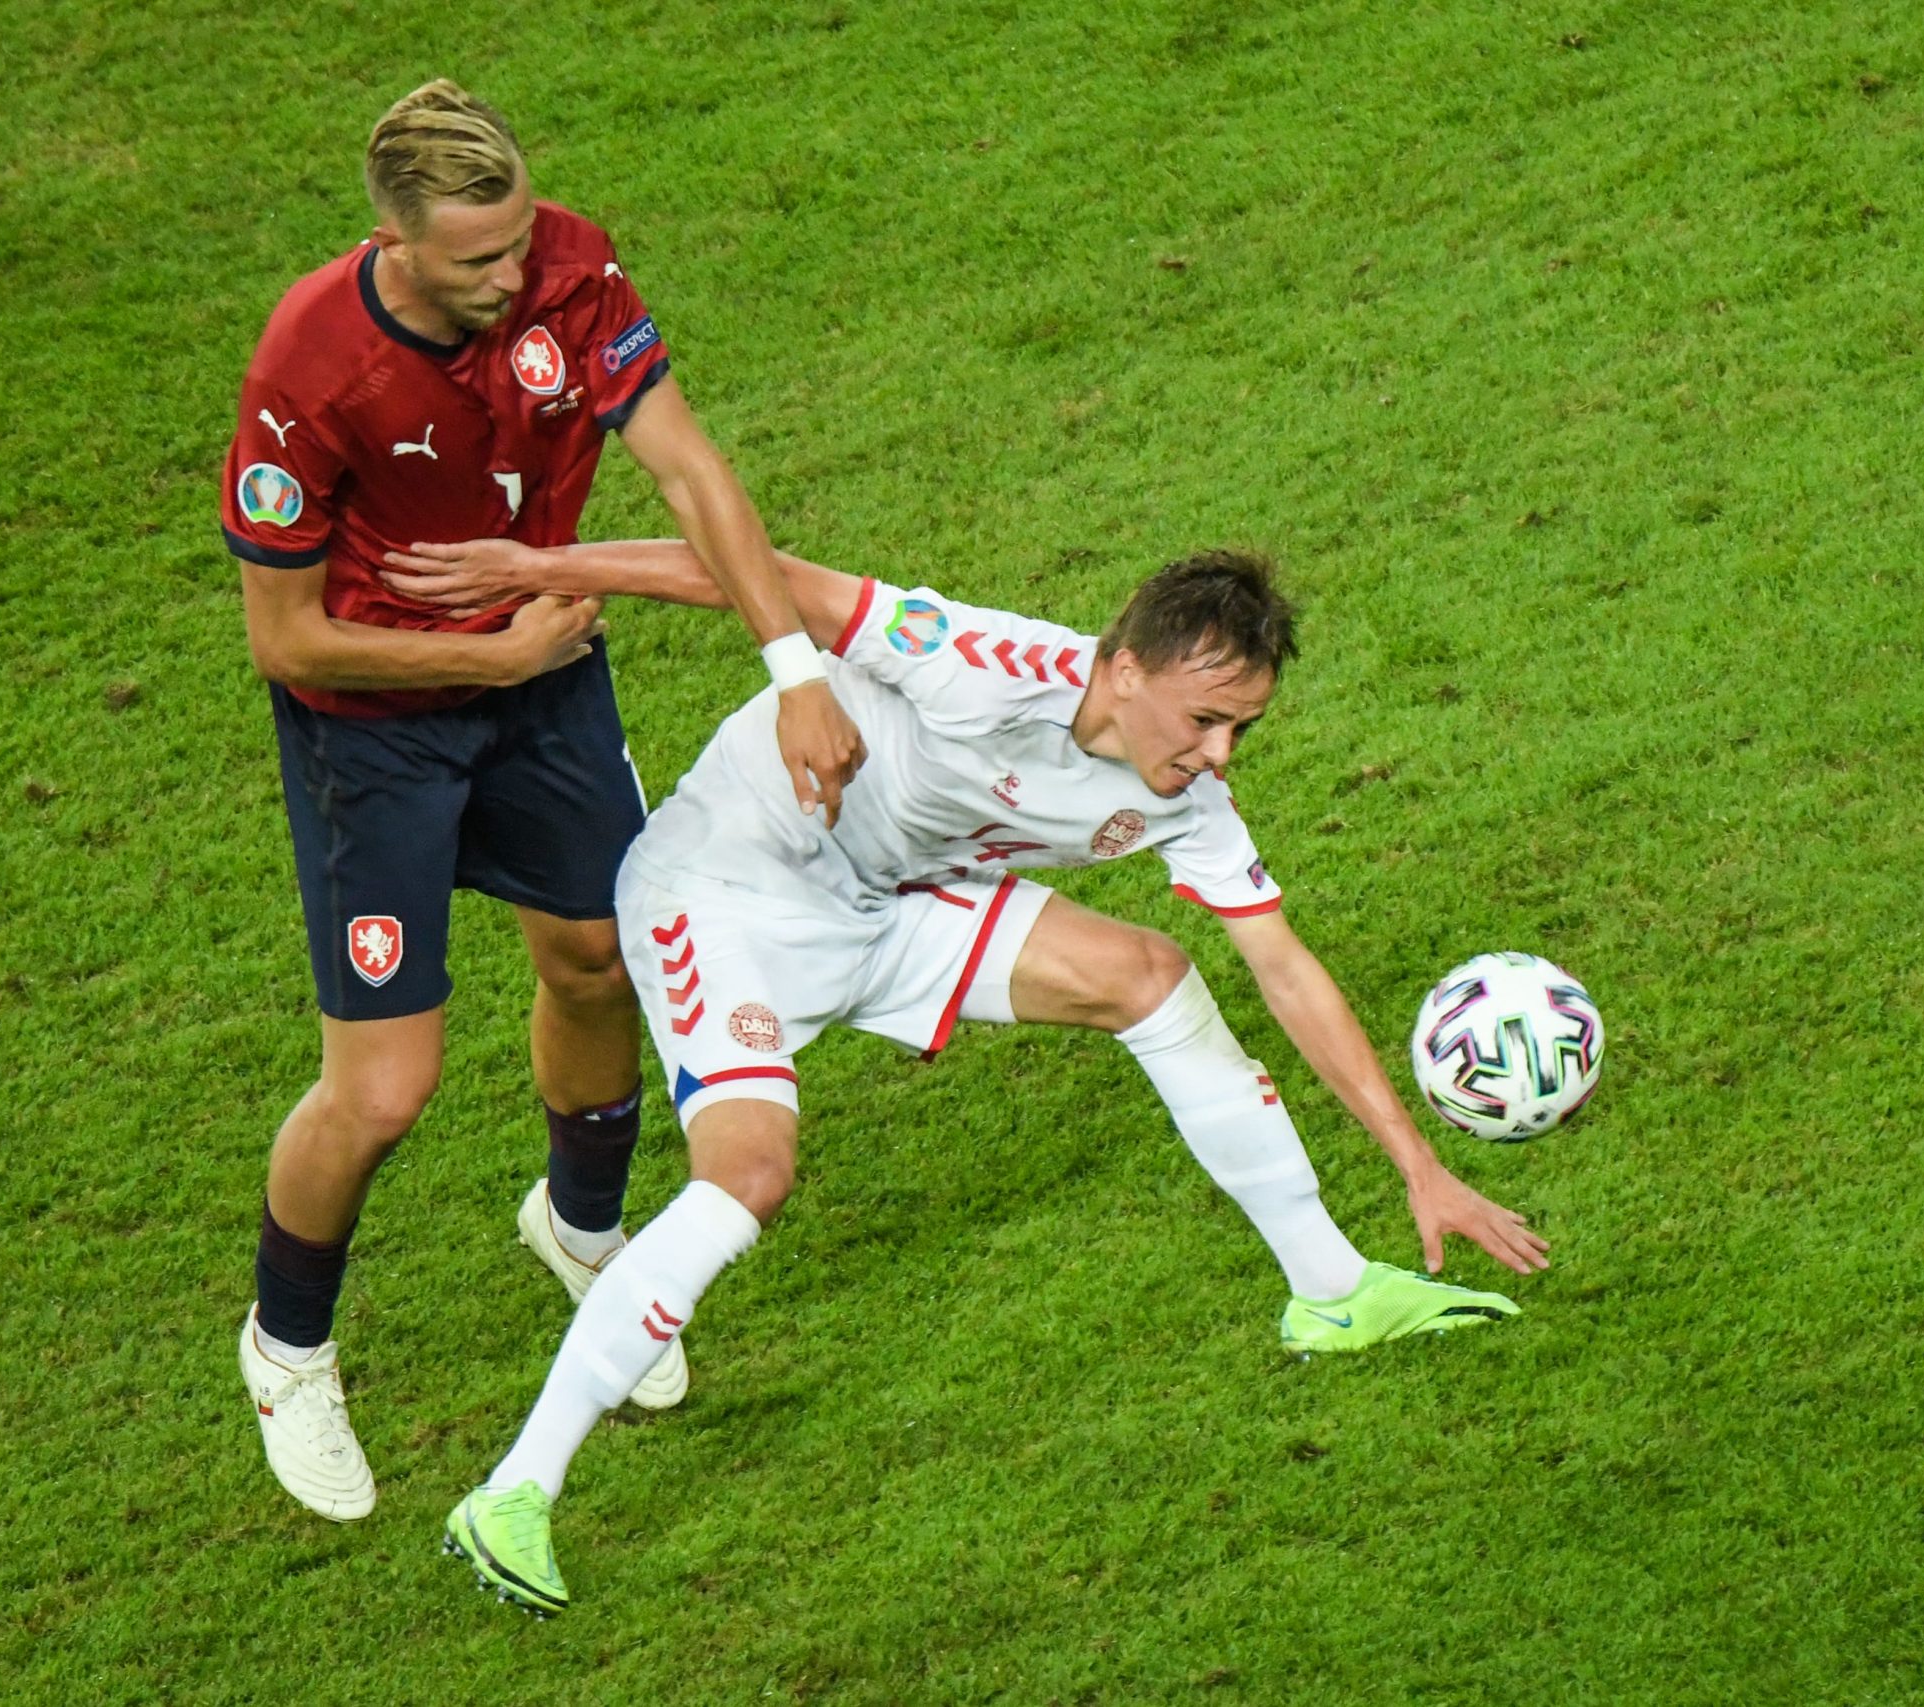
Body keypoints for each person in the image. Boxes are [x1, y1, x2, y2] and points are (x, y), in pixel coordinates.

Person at [380, 536, 1553, 1613]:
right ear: (1126, 669)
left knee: (1149, 975)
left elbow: (1285, 970)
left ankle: (1331, 1286)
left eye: (1242, 729)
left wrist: (1417, 1166)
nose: (1217, 755)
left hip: (888, 902)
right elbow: (742, 566)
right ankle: (513, 1492)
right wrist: (530, 562)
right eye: (1205, 721)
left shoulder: (1188, 800)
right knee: (750, 1174)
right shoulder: (976, 662)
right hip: (727, 887)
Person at [217, 81, 865, 1523]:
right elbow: (287, 637)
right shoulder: (310, 364)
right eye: (474, 263)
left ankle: (581, 1230)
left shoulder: (572, 268)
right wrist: (480, 649)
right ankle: (290, 1345)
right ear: (393, 238)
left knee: (600, 954)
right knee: (384, 1088)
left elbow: (688, 466)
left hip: (545, 681)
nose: (512, 281)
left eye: (517, 244)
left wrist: (792, 661)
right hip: (373, 729)